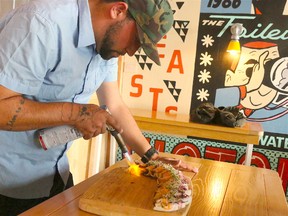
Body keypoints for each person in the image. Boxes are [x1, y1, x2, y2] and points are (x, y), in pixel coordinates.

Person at [0, 0, 194, 214]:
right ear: (118, 10)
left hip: (56, 176)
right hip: (8, 184)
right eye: (137, 40)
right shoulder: (40, 24)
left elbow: (114, 105)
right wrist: (79, 113)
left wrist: (151, 156)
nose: (131, 51)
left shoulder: (105, 41)